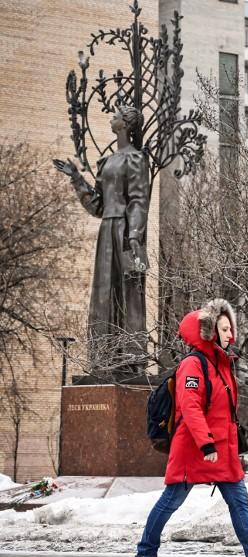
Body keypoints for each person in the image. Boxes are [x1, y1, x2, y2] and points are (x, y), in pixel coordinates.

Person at [131, 299, 248, 557]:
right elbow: (190, 407)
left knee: (239, 502)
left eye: (231, 329)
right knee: (171, 501)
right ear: (209, 332)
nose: (231, 334)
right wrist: (206, 444)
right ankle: (144, 556)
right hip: (194, 449)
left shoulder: (222, 365)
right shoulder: (193, 365)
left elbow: (223, 412)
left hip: (221, 450)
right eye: (224, 329)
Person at [53, 105, 150, 372]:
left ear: (126, 123)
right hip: (107, 232)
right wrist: (76, 178)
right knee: (103, 294)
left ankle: (129, 360)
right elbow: (97, 205)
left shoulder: (136, 159)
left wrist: (134, 237)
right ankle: (103, 359)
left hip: (124, 233)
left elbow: (139, 201)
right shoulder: (106, 162)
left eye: (116, 114)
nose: (112, 116)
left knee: (127, 292)